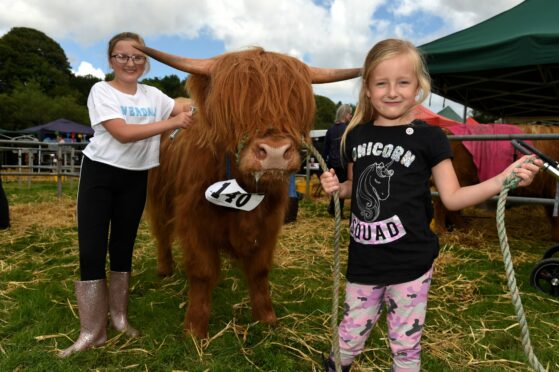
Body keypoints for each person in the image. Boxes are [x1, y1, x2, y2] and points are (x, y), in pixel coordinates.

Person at [319, 39, 542, 372]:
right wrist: (336, 190)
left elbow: (452, 197)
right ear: (367, 89)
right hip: (364, 261)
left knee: (406, 343)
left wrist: (501, 180)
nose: (392, 91)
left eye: (403, 82)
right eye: (382, 83)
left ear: (419, 88)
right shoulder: (358, 136)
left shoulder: (430, 138)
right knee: (350, 332)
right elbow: (354, 187)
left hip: (411, 263)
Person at [59, 32, 194, 357]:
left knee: (122, 248)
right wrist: (172, 122)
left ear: (145, 63)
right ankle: (92, 331)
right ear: (111, 60)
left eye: (137, 57)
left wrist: (218, 95)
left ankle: (118, 318)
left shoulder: (154, 95)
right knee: (92, 250)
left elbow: (189, 105)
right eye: (122, 56)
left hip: (135, 179)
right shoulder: (101, 91)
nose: (130, 62)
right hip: (100, 174)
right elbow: (121, 133)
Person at [322, 104, 353, 217]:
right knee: (341, 187)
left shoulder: (330, 129)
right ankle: (336, 212)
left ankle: (332, 208)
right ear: (345, 114)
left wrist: (324, 165)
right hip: (343, 163)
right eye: (350, 113)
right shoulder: (347, 129)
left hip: (332, 165)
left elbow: (325, 149)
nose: (351, 116)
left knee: (335, 187)